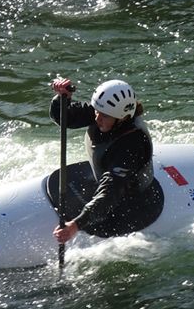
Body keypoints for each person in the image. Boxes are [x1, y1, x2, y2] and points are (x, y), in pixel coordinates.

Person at [49, 77, 163, 244]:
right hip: (108, 185)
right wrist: (62, 98)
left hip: (131, 205)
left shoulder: (132, 145)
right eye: (96, 111)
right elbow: (65, 117)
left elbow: (110, 194)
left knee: (111, 198)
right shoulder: (105, 112)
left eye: (104, 116)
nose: (97, 118)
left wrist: (75, 225)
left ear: (122, 118)